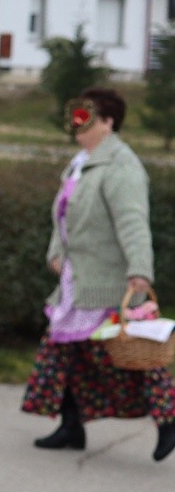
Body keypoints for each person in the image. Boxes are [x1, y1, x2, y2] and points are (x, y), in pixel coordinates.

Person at [22, 87, 175, 460]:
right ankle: (71, 426)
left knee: (133, 356)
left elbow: (133, 221)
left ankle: (169, 420)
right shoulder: (81, 162)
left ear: (107, 122)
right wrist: (55, 253)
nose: (77, 126)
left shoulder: (121, 165)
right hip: (77, 280)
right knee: (65, 355)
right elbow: (63, 216)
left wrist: (140, 270)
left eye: (85, 118)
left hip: (108, 281)